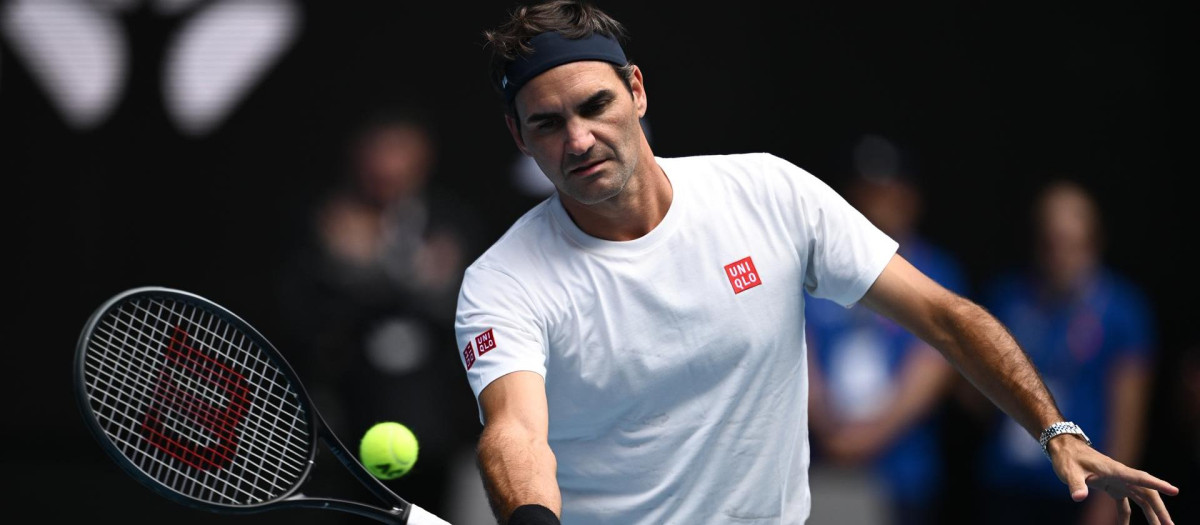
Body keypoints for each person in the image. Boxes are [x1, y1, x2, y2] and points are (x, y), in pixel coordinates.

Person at [452, 2, 1179, 524]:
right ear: (519, 137)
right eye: (548, 123)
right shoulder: (502, 282)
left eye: (595, 105)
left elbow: (945, 317)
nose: (578, 139)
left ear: (636, 90)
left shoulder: (769, 191)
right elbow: (516, 430)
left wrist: (1056, 430)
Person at [275, 108, 483, 520]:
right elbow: (304, 326)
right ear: (358, 156)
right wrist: (344, 269)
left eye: (401, 151)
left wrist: (390, 268)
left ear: (423, 158)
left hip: (443, 436)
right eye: (379, 151)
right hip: (347, 437)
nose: (388, 165)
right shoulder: (321, 229)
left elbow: (469, 317)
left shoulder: (452, 226)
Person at [972, 180, 1163, 525]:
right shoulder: (1007, 297)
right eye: (1050, 243)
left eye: (1073, 244)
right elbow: (974, 391)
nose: (1060, 255)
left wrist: (1109, 499)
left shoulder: (1122, 309)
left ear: (1095, 241)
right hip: (1009, 481)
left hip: (1082, 490)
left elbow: (1129, 413)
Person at [804, 135, 965, 525]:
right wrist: (832, 432)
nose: (876, 204)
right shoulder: (816, 266)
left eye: (889, 193)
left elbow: (935, 367)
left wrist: (866, 438)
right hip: (822, 466)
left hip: (903, 474)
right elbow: (796, 349)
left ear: (911, 198)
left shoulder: (937, 272)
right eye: (865, 193)